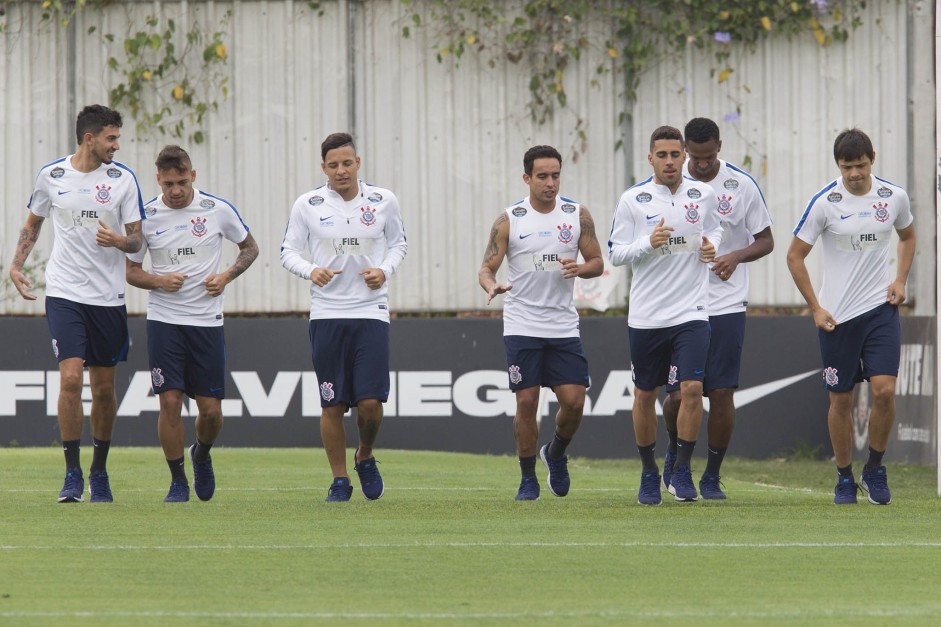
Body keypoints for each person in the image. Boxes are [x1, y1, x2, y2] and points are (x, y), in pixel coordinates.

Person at [7, 104, 144, 503]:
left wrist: (119, 241)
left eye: (117, 138)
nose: (117, 145)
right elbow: (33, 224)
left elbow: (136, 240)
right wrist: (16, 266)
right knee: (69, 378)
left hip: (108, 297)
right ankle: (71, 474)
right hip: (65, 293)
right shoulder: (52, 176)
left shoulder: (123, 180)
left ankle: (99, 472)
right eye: (111, 138)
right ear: (90, 138)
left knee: (103, 390)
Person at [786, 128, 914, 505]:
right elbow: (794, 257)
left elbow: (908, 237)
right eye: (847, 167)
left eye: (860, 165)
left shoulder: (893, 197)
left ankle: (874, 468)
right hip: (837, 318)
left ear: (872, 158)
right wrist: (815, 307)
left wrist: (901, 280)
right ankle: (844, 477)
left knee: (885, 391)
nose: (855, 173)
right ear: (838, 165)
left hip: (880, 311)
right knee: (840, 400)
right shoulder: (825, 203)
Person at [126, 145, 259, 502]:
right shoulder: (147, 216)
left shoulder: (216, 210)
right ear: (158, 180)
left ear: (193, 176)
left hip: (206, 322)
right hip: (165, 322)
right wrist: (159, 281)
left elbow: (250, 248)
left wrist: (227, 275)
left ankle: (200, 451)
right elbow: (132, 272)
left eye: (182, 182)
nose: (176, 190)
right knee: (169, 402)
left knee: (211, 411)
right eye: (168, 183)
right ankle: (177, 481)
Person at [280, 132, 407, 502]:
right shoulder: (308, 204)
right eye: (333, 165)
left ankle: (365, 455)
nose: (341, 171)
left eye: (347, 163)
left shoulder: (384, 201)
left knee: (370, 403)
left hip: (371, 311)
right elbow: (288, 252)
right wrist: (311, 270)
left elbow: (399, 244)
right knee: (331, 403)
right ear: (324, 168)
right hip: (327, 313)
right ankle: (339, 479)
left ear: (358, 163)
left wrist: (384, 270)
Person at [478, 145, 604, 501]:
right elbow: (487, 267)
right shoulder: (510, 219)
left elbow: (596, 261)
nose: (550, 183)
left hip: (562, 325)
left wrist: (581, 268)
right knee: (527, 402)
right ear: (527, 178)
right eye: (542, 176)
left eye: (555, 175)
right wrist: (492, 286)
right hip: (521, 324)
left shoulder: (576, 214)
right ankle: (528, 477)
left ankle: (557, 452)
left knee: (575, 401)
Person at [660, 118, 774, 500]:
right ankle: (676, 458)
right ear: (686, 150)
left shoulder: (739, 184)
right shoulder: (671, 186)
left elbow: (767, 240)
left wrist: (736, 256)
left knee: (721, 393)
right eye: (697, 157)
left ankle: (710, 474)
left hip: (725, 303)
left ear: (719, 147)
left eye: (709, 157)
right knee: (676, 395)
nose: (703, 164)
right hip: (680, 302)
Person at [608, 125, 722, 505]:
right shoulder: (633, 200)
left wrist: (710, 246)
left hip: (692, 310)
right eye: (663, 155)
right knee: (645, 394)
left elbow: (716, 230)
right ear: (651, 158)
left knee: (691, 390)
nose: (671, 161)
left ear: (684, 156)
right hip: (647, 316)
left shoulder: (702, 194)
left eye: (676, 154)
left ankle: (683, 471)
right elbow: (616, 253)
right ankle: (647, 473)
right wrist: (647, 242)